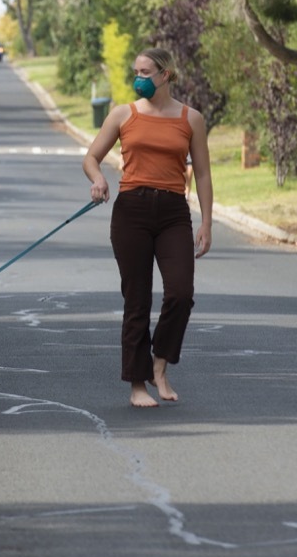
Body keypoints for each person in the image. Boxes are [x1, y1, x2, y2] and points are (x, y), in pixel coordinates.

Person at [82, 48, 213, 408]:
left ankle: (160, 365)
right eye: (135, 70)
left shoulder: (191, 119)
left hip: (173, 212)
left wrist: (207, 221)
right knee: (136, 301)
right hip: (131, 212)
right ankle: (137, 385)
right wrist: (98, 180)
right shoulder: (123, 114)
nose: (138, 77)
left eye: (145, 71)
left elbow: (201, 172)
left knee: (181, 293)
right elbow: (91, 158)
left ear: (166, 74)